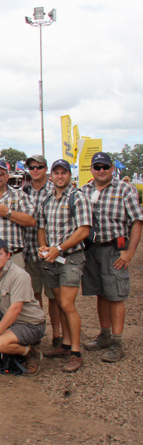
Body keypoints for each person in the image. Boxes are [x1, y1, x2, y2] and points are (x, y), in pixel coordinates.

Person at [81, 152, 143, 362]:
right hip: (91, 249)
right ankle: (104, 335)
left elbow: (137, 221)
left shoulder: (124, 189)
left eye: (105, 166)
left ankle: (117, 342)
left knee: (116, 295)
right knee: (101, 293)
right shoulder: (85, 190)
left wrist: (129, 252)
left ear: (111, 169)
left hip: (114, 249)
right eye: (97, 167)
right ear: (91, 169)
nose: (101, 170)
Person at [37, 159, 92, 372]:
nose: (60, 176)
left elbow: (83, 230)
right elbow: (42, 226)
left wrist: (58, 248)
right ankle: (67, 344)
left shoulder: (78, 198)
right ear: (52, 176)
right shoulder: (48, 200)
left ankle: (76, 352)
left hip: (70, 258)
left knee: (68, 305)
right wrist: (43, 246)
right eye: (56, 173)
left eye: (63, 173)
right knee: (59, 302)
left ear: (70, 175)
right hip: (52, 258)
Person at [0, 237, 46, 376]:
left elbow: (15, 309)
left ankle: (30, 353)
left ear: (8, 255)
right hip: (10, 318)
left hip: (30, 323)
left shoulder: (19, 275)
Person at [21, 155, 62, 348]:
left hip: (51, 251)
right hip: (29, 250)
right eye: (32, 167)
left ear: (46, 169)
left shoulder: (55, 190)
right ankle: (38, 333)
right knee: (34, 295)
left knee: (55, 296)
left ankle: (57, 334)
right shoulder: (23, 191)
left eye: (39, 167)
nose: (35, 170)